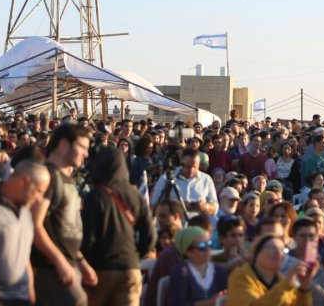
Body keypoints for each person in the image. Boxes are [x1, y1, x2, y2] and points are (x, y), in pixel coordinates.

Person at [81, 146, 157, 306]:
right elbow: (150, 235)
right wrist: (136, 254)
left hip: (102, 269)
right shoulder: (135, 194)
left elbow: (88, 238)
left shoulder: (95, 196)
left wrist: (88, 265)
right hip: (130, 268)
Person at [31, 124, 97, 306]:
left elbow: (64, 229)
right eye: (82, 147)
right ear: (64, 145)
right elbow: (35, 225)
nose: (86, 154)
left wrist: (81, 263)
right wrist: (60, 262)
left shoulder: (66, 179)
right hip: (48, 268)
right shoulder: (47, 177)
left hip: (68, 263)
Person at [0, 160, 51, 306]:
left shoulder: (26, 212)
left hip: (21, 297)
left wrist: (31, 296)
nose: (39, 198)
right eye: (39, 191)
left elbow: (25, 259)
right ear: (25, 182)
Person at [226, 233, 316, 306]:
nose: (278, 253)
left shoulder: (282, 280)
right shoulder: (240, 276)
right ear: (257, 253)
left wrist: (304, 287)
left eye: (282, 250)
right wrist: (287, 284)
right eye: (273, 248)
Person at [168, 226, 229, 306]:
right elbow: (177, 304)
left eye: (209, 244)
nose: (208, 249)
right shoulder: (181, 272)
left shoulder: (219, 272)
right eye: (202, 246)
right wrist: (208, 303)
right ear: (188, 252)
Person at [151, 148, 218, 216]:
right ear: (182, 163)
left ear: (199, 165)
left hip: (198, 223)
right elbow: (153, 204)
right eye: (188, 166)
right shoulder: (167, 177)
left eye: (194, 167)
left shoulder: (206, 179)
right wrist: (177, 206)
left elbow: (215, 207)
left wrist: (205, 206)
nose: (191, 170)